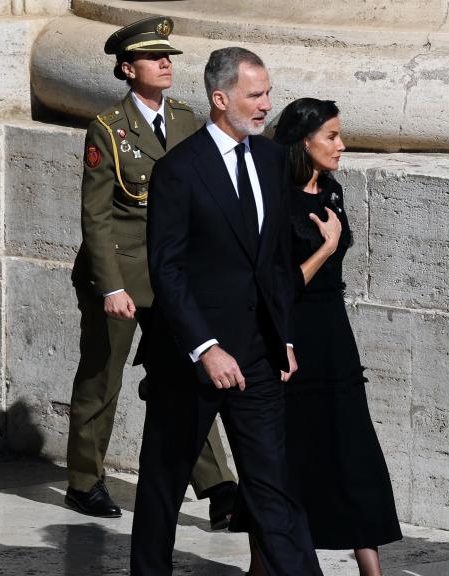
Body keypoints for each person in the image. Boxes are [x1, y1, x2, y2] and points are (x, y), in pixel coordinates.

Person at [129, 47, 322, 576]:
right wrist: (205, 348)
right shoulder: (178, 170)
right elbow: (166, 271)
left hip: (259, 353)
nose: (265, 106)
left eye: (267, 94)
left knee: (273, 484)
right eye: (254, 95)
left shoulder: (271, 160)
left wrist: (282, 337)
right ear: (220, 98)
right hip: (191, 358)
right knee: (164, 483)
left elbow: (275, 261)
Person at [66, 16, 237, 524]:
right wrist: (110, 285)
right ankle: (83, 480)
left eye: (168, 57)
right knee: (103, 377)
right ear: (126, 68)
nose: (165, 64)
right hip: (118, 274)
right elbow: (95, 216)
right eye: (151, 57)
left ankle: (218, 486)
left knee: (192, 373)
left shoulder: (186, 119)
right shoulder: (107, 129)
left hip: (171, 275)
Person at [247, 98, 401, 576]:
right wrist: (326, 247)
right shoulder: (275, 197)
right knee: (288, 455)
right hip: (290, 334)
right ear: (304, 141)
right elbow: (278, 284)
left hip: (335, 336)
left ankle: (370, 567)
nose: (342, 145)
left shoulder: (331, 191)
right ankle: (264, 563)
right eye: (331, 136)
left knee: (353, 450)